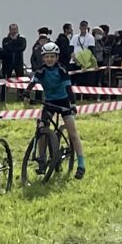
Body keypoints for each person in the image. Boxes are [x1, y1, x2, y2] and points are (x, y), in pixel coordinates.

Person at [31, 42, 80, 176]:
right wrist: (26, 92)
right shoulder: (41, 70)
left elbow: (68, 88)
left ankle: (79, 162)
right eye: (47, 57)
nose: (49, 59)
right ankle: (42, 158)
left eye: (52, 56)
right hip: (49, 102)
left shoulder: (61, 69)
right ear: (43, 58)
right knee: (41, 127)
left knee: (72, 132)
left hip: (63, 101)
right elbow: (33, 81)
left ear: (57, 57)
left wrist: (73, 104)